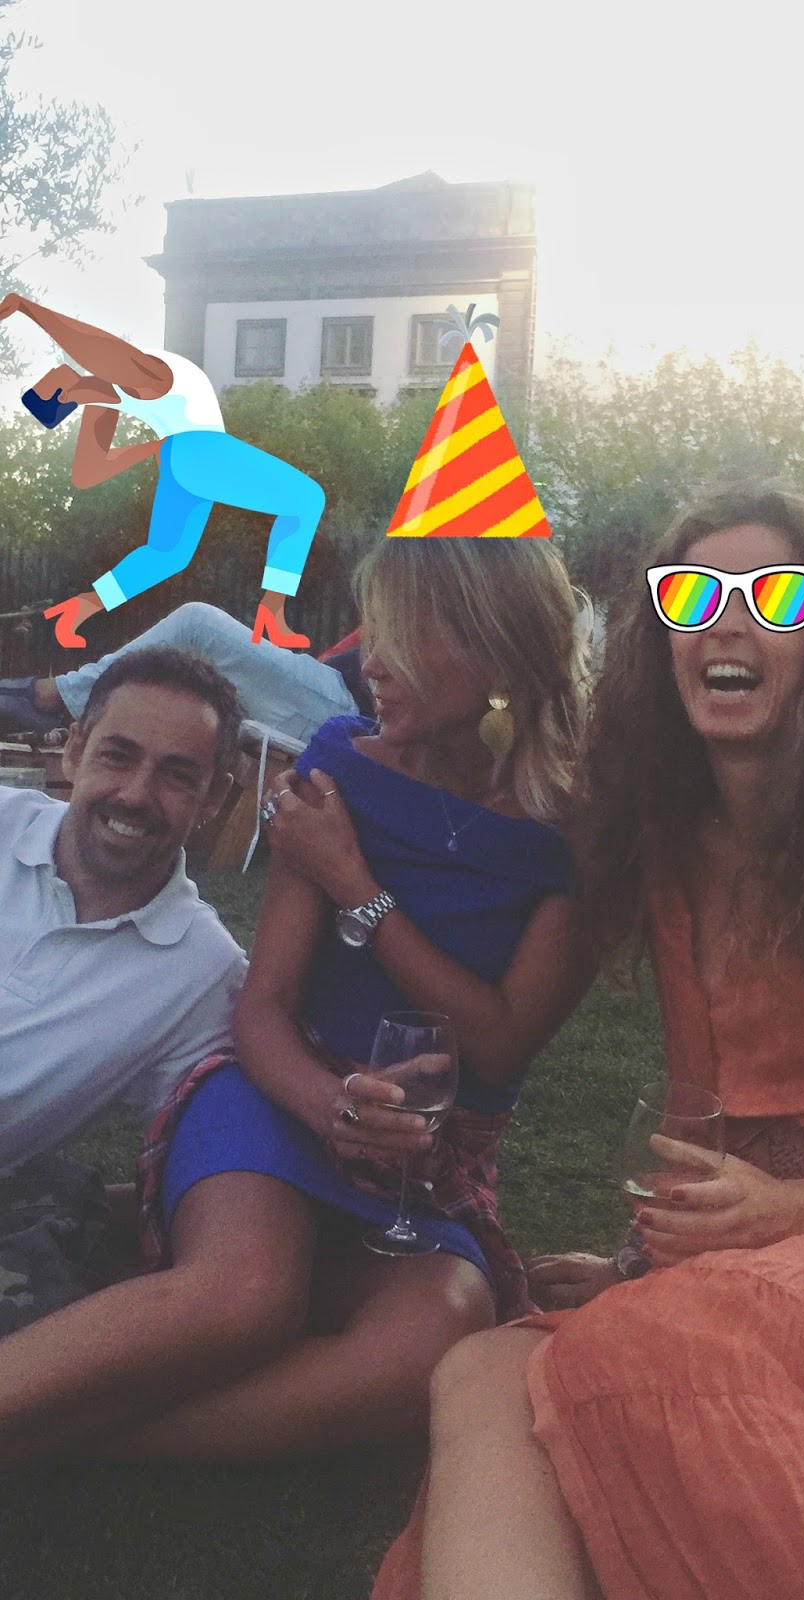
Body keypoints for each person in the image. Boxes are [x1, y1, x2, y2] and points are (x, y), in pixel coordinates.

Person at [371, 482, 804, 1600]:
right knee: (483, 1371)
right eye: (693, 594)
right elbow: (705, 1108)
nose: (727, 619)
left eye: (777, 596)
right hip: (745, 1250)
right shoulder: (673, 850)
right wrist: (637, 1258)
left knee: (639, 1350)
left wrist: (789, 1213)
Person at [0, 536, 595, 1466]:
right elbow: (266, 1007)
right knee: (247, 1295)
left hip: (428, 1153)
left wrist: (357, 886)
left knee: (434, 1334)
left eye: (400, 634)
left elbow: (499, 1043)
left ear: (495, 648)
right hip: (280, 1091)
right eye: (372, 630)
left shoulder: (580, 833)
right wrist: (329, 1104)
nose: (370, 661)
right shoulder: (340, 767)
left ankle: (95, 1442)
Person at [0, 645, 248, 1329]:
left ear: (215, 798)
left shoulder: (202, 974)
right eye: (117, 755)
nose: (136, 795)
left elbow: (230, 1147)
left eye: (177, 774)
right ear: (75, 750)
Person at [0, 293, 325, 649]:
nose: (71, 401)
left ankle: (82, 607)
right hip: (198, 451)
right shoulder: (104, 399)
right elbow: (88, 472)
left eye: (66, 396)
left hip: (181, 461)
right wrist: (150, 446)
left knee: (166, 554)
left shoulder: (149, 372)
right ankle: (272, 610)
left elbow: (92, 345)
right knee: (306, 499)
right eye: (66, 402)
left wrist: (28, 308)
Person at [0, 603, 367, 741]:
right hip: (330, 686)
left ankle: (54, 699)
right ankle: (64, 705)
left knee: (197, 625)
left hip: (347, 707)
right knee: (187, 671)